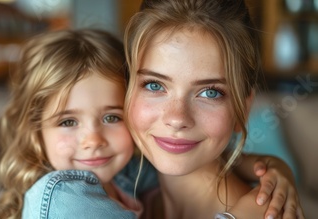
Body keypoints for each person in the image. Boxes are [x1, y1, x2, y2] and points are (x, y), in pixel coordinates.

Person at [0, 28, 302, 219]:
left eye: (111, 117)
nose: (93, 139)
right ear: (36, 131)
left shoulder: (126, 173)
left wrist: (274, 169)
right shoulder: (65, 197)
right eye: (67, 122)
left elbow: (205, 159)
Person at [123, 0, 304, 218]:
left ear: (242, 109)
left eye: (210, 92)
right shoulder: (120, 195)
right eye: (154, 85)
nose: (177, 118)